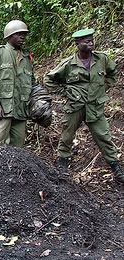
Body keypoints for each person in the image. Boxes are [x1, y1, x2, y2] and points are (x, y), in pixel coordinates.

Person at [44, 28, 124, 183]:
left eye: (91, 40)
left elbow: (112, 74)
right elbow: (49, 80)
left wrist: (102, 88)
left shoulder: (102, 59)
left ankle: (117, 169)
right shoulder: (68, 64)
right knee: (66, 137)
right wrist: (66, 91)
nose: (90, 43)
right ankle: (62, 169)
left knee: (104, 137)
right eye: (86, 41)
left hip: (95, 107)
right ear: (77, 44)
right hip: (75, 107)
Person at [0, 20, 38, 147]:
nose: (22, 37)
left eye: (24, 34)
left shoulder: (27, 57)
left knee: (18, 147)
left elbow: (32, 82)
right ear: (9, 36)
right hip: (3, 108)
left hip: (21, 109)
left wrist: (38, 100)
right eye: (18, 34)